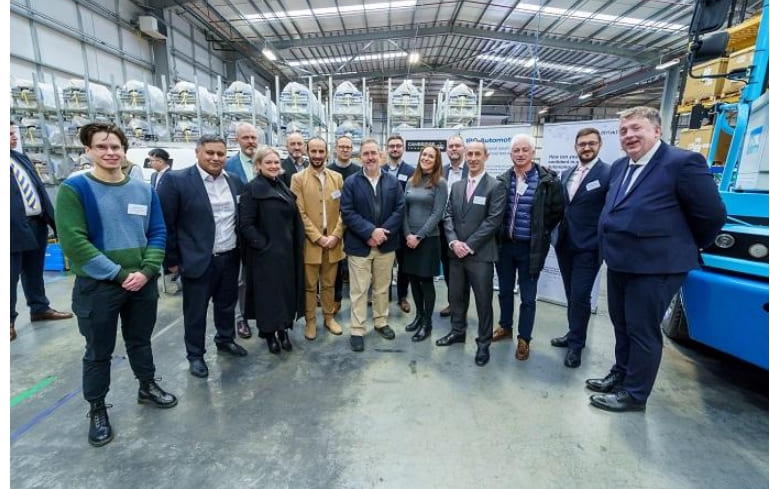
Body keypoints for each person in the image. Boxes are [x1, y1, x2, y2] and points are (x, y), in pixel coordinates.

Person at [587, 107, 726, 412]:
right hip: (621, 261)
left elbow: (712, 216)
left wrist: (679, 247)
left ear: (656, 131)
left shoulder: (681, 162)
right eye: (624, 131)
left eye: (636, 129)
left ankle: (635, 394)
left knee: (642, 330)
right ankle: (621, 373)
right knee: (621, 325)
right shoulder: (622, 166)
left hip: (656, 266)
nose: (629, 136)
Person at [56, 122, 177, 447]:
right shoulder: (75, 189)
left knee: (141, 340)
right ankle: (97, 407)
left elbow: (157, 231)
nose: (110, 153)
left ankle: (147, 386)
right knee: (98, 350)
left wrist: (149, 269)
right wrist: (120, 274)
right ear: (88, 151)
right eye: (101, 147)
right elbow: (73, 242)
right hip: (100, 286)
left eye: (115, 147)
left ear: (124, 150)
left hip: (142, 280)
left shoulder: (142, 189)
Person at [159, 135, 248, 379]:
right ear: (198, 153)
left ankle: (225, 339)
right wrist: (173, 262)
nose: (216, 158)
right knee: (195, 311)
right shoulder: (177, 181)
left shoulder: (235, 182)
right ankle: (196, 355)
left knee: (226, 304)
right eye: (210, 153)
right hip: (197, 260)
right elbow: (166, 224)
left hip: (229, 256)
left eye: (220, 154)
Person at [492, 134, 563, 362]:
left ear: (533, 152)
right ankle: (505, 327)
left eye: (525, 150)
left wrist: (539, 233)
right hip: (505, 247)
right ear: (510, 154)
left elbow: (555, 213)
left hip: (530, 249)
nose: (520, 154)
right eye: (516, 150)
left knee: (528, 298)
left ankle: (524, 339)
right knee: (504, 291)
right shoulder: (503, 180)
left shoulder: (548, 181)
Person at [436, 141, 506, 366]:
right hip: (456, 254)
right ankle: (458, 331)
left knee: (483, 300)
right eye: (470, 154)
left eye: (478, 154)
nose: (473, 158)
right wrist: (454, 241)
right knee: (456, 296)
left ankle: (483, 343)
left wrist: (469, 245)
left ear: (486, 156)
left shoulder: (496, 186)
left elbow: (493, 220)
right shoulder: (457, 186)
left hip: (481, 255)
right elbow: (447, 215)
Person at [549, 128, 611, 368]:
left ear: (599, 145)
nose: (586, 148)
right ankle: (572, 333)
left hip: (590, 247)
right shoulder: (568, 173)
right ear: (576, 147)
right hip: (565, 244)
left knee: (580, 296)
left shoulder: (607, 174)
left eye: (591, 144)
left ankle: (576, 345)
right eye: (582, 144)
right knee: (570, 295)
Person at [10, 121, 72, 342]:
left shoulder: (20, 158)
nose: (14, 138)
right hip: (11, 228)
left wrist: (52, 220)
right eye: (8, 135)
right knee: (9, 275)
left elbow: (37, 189)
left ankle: (39, 308)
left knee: (34, 270)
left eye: (13, 133)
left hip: (36, 223)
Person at [341, 138, 404, 352]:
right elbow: (347, 212)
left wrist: (381, 234)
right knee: (359, 290)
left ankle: (380, 322)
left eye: (373, 153)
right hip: (360, 245)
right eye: (366, 154)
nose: (370, 157)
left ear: (381, 156)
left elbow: (400, 209)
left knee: (382, 288)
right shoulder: (350, 182)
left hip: (386, 245)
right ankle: (358, 329)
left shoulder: (392, 182)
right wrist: (370, 232)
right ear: (360, 158)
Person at [240, 147, 305, 353]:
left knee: (285, 294)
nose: (274, 166)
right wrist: (263, 246)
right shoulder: (252, 189)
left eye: (276, 162)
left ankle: (284, 329)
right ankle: (269, 334)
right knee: (268, 297)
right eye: (268, 162)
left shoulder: (282, 186)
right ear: (258, 165)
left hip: (286, 254)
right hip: (265, 256)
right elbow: (246, 224)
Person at [290, 137, 345, 340]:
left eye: (321, 151)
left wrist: (335, 235)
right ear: (307, 152)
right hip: (310, 243)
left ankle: (329, 318)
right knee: (310, 286)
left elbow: (344, 210)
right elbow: (299, 212)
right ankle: (310, 321)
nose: (317, 155)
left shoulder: (337, 178)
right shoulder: (298, 179)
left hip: (333, 242)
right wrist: (318, 237)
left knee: (329, 284)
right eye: (313, 151)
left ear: (327, 152)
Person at [402, 145, 448, 342]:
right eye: (424, 155)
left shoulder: (440, 183)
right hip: (408, 239)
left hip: (428, 240)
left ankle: (427, 323)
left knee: (426, 282)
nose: (426, 158)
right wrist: (407, 234)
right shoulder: (411, 181)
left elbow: (437, 214)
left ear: (436, 161)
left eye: (431, 156)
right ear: (420, 157)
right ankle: (418, 317)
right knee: (412, 279)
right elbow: (403, 210)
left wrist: (418, 236)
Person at [223, 122, 260, 339]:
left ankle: (260, 314)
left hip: (263, 233)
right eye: (246, 138)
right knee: (239, 279)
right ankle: (241, 319)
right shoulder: (229, 166)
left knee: (259, 277)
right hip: (237, 233)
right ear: (237, 140)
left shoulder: (267, 162)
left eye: (253, 138)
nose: (250, 142)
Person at [328, 135, 362, 314]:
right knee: (337, 264)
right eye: (341, 147)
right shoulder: (328, 170)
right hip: (335, 225)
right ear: (336, 148)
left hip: (355, 223)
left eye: (348, 147)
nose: (344, 150)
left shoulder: (359, 171)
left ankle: (359, 300)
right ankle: (337, 298)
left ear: (352, 149)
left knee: (356, 264)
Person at [381, 135, 415, 313]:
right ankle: (383, 295)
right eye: (392, 146)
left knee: (404, 264)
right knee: (384, 263)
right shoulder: (380, 170)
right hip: (384, 226)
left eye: (398, 146)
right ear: (387, 148)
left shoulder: (411, 171)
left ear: (403, 149)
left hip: (403, 226)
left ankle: (402, 296)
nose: (395, 149)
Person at [438, 135, 469, 317]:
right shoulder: (441, 171)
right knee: (449, 269)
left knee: (465, 271)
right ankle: (453, 302)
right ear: (447, 150)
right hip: (443, 229)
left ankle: (462, 307)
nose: (454, 149)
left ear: (463, 149)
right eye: (451, 146)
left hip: (464, 229)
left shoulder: (471, 170)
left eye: (457, 146)